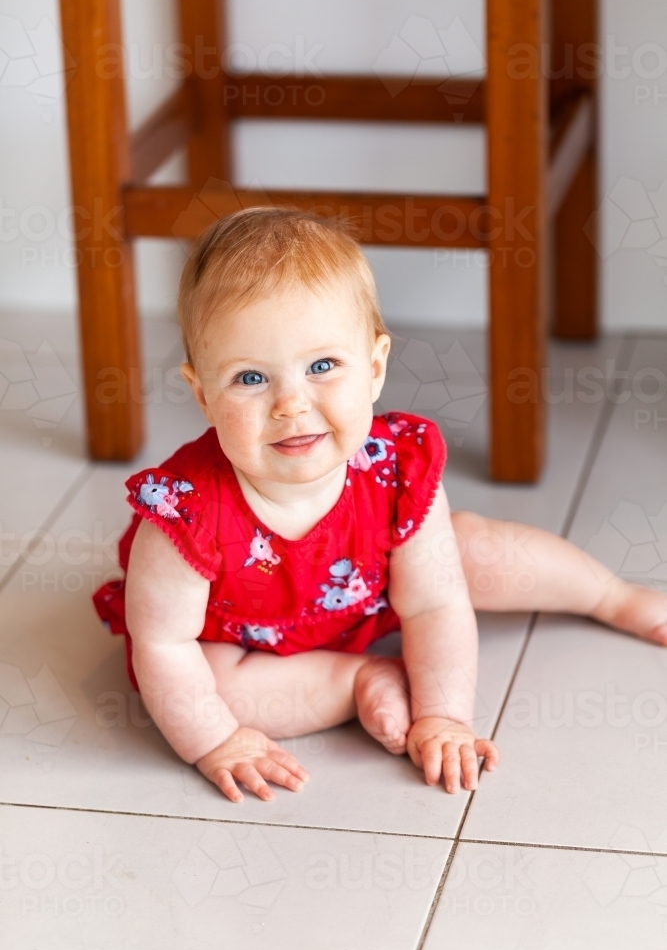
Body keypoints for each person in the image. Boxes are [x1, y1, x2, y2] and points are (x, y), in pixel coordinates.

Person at [94, 207, 667, 805]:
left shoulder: (395, 469)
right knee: (207, 686)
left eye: (322, 366)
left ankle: (609, 595)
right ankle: (359, 679)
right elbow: (163, 645)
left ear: (373, 367)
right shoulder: (185, 514)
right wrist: (215, 740)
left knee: (477, 551)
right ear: (202, 394)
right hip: (244, 641)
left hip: (375, 594)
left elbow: (436, 603)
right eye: (250, 379)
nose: (291, 404)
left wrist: (443, 716)